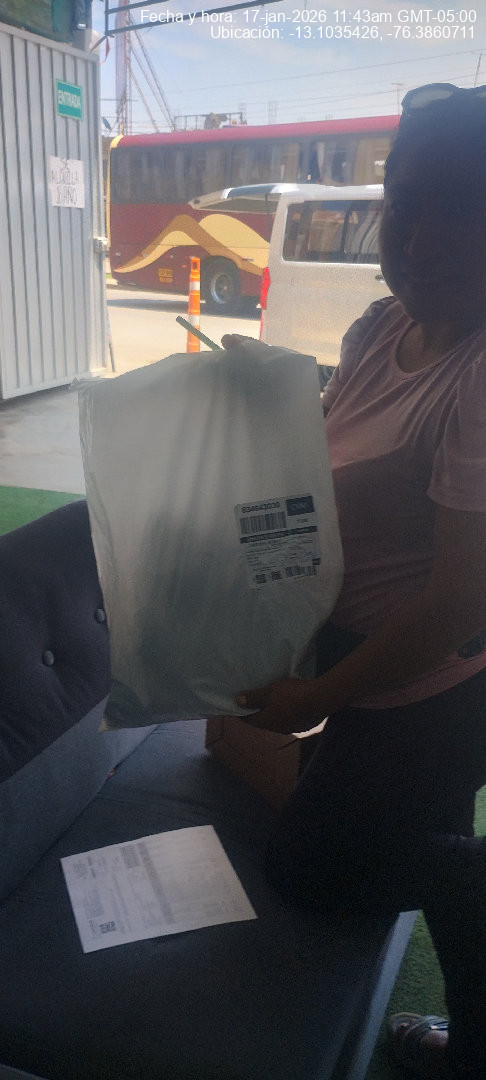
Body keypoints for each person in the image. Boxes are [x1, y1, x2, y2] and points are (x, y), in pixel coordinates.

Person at [223, 83, 486, 1080]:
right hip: (360, 661)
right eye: (403, 204)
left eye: (462, 215)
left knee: (312, 871)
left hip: (429, 686)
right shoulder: (380, 327)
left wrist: (320, 698)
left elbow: (458, 603)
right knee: (410, 830)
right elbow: (327, 471)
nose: (418, 242)